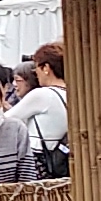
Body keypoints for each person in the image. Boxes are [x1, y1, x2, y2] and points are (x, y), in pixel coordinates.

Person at [17, 47, 71, 180]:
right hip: (62, 160)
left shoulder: (42, 95)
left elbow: (6, 120)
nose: (35, 73)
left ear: (46, 68)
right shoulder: (71, 93)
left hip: (40, 162)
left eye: (36, 68)